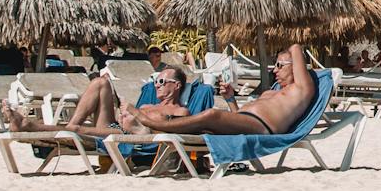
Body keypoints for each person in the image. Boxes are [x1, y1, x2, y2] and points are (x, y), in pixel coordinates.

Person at [116, 43, 317, 137]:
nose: (274, 70)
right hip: (246, 123)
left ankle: (150, 124)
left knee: (211, 115)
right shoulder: (270, 93)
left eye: (280, 65)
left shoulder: (300, 90)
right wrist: (230, 99)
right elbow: (238, 118)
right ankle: (151, 128)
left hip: (262, 127)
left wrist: (289, 55)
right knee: (207, 124)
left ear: (296, 67)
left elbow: (296, 47)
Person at [5, 65, 195, 139]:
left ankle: (28, 125)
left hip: (128, 135)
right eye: (155, 81)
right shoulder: (149, 104)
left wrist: (135, 114)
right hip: (115, 126)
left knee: (77, 130)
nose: (157, 85)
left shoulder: (181, 112)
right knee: (99, 83)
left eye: (161, 81)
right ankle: (70, 125)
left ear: (177, 86)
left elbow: (165, 131)